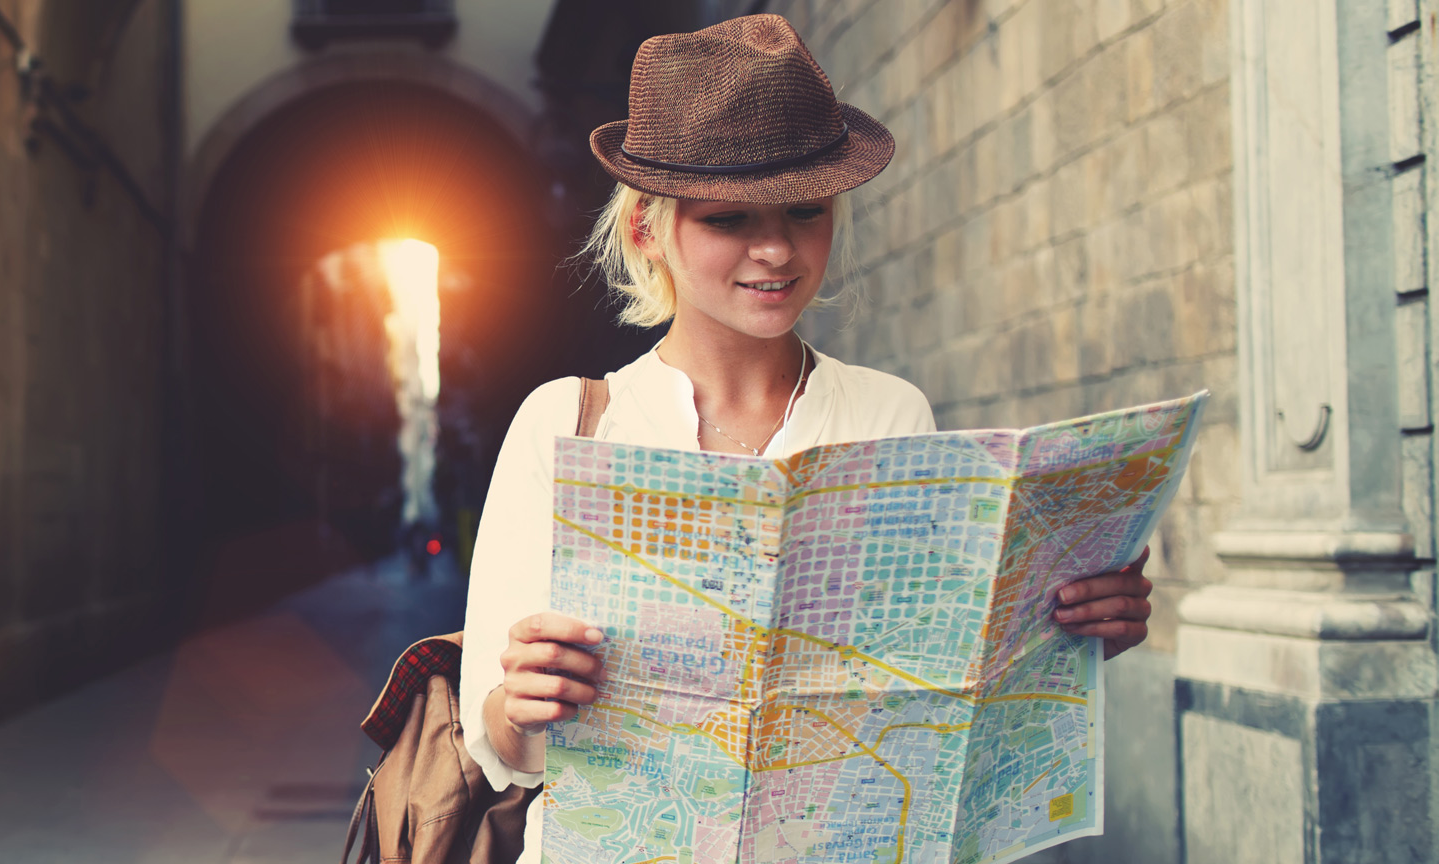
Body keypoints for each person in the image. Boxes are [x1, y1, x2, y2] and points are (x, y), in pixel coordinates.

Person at [456, 14, 1155, 863]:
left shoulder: (890, 415)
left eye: (806, 210)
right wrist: (523, 704)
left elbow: (931, 701)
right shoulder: (566, 421)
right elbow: (498, 748)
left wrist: (1067, 640)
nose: (777, 249)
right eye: (728, 219)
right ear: (646, 229)